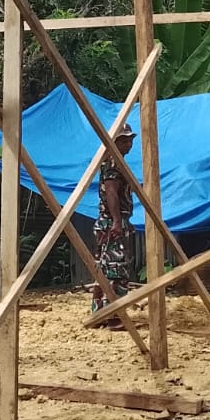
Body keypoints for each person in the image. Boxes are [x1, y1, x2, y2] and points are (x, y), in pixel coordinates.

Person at [91, 127, 136, 317]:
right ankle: (114, 315)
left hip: (109, 221)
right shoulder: (113, 163)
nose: (129, 144)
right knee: (117, 269)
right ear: (114, 142)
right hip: (112, 222)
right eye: (124, 140)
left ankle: (99, 312)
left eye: (130, 140)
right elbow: (111, 192)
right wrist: (117, 221)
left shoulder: (115, 162)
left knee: (103, 268)